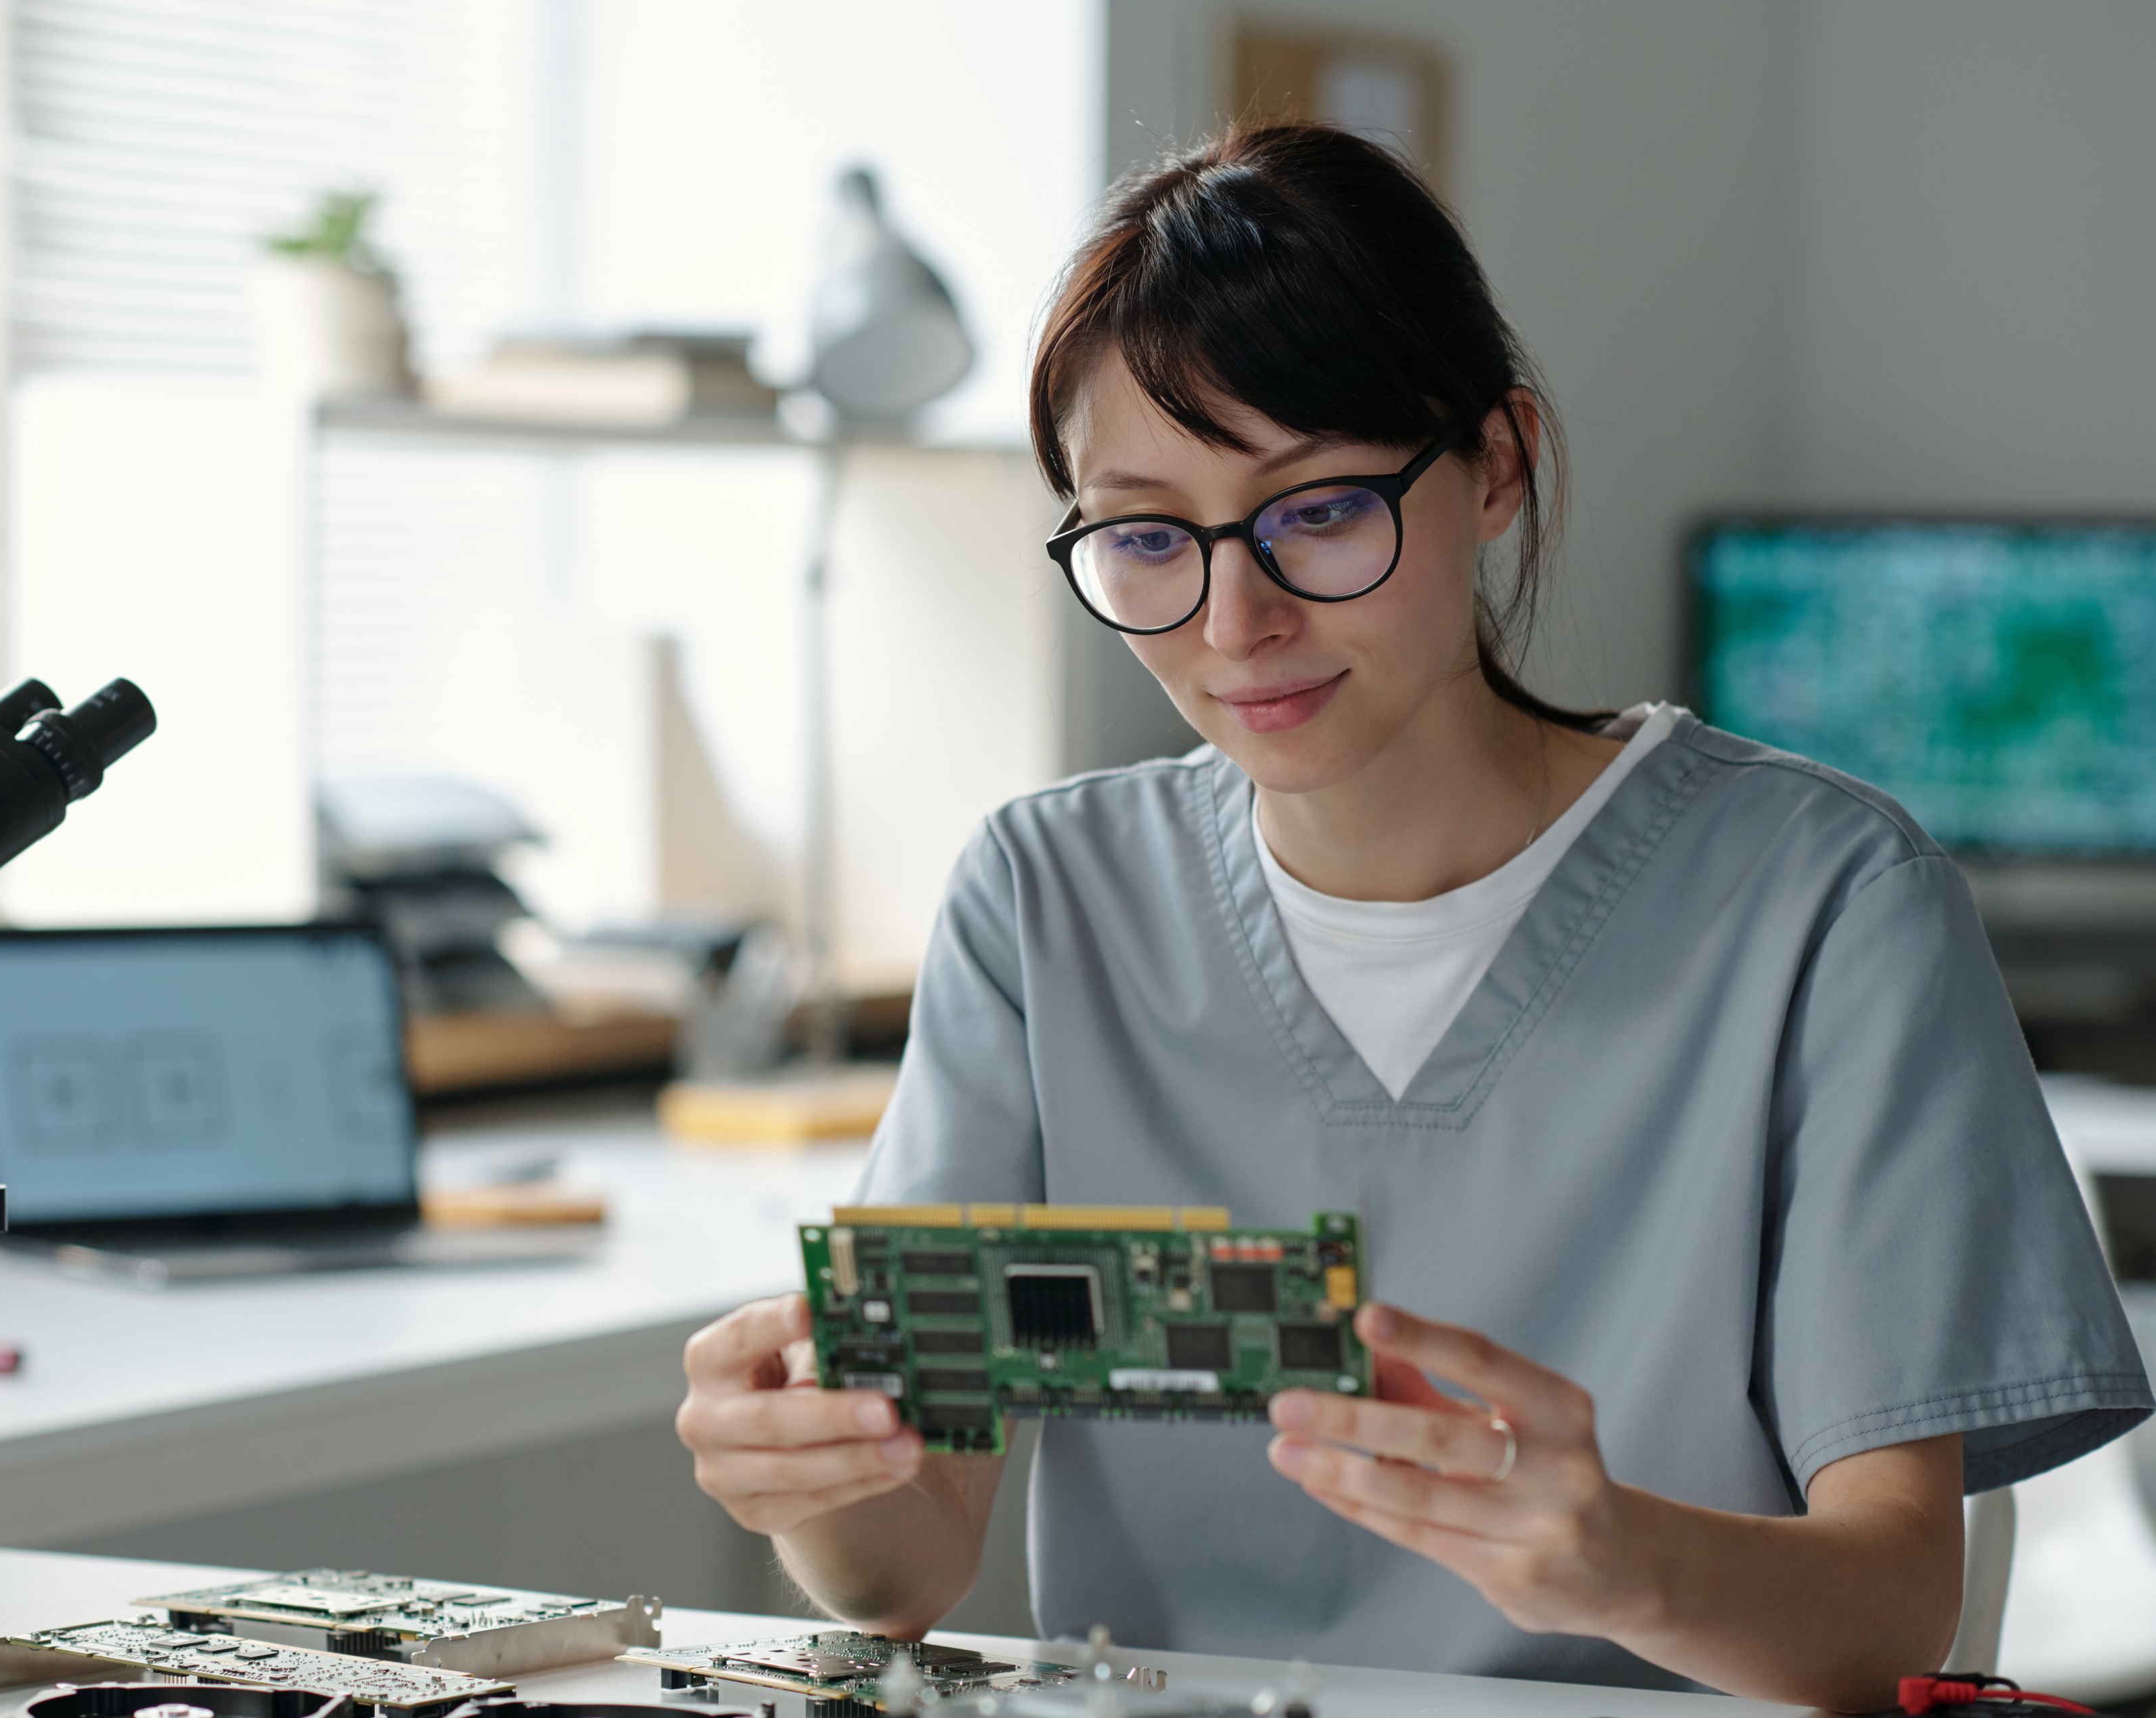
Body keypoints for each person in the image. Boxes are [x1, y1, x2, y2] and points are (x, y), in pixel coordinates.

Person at [675, 122, 2151, 1709]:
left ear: (1497, 463)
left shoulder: (1829, 904)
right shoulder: (1045, 903)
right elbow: (907, 1562)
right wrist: (816, 1474)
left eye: (1316, 511)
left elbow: (1890, 1612)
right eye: (1149, 537)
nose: (1237, 622)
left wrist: (1617, 1558)